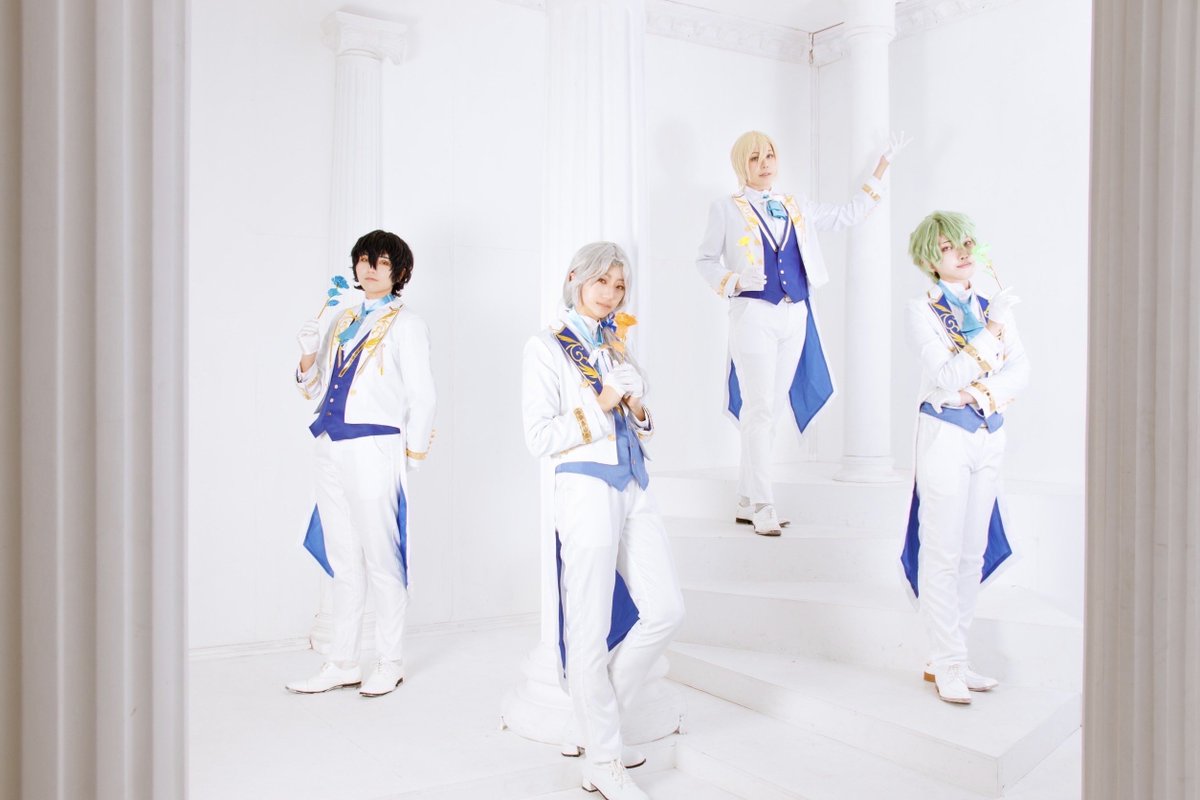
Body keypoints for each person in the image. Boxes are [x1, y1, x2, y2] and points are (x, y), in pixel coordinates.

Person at [522, 241, 685, 800]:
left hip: (635, 482)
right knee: (587, 626)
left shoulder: (617, 343)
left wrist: (637, 408)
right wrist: (604, 402)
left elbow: (633, 416)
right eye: (601, 282)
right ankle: (603, 757)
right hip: (585, 487)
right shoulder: (545, 346)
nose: (611, 294)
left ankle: (596, 729)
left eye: (619, 286)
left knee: (665, 609)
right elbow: (539, 436)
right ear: (575, 279)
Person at [696, 129, 908, 535]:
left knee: (770, 412)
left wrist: (882, 167)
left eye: (769, 155)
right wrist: (734, 280)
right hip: (754, 314)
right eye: (755, 158)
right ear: (741, 164)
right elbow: (704, 260)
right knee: (759, 409)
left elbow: (848, 214)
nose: (764, 164)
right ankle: (763, 504)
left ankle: (746, 498)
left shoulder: (795, 205)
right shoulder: (725, 208)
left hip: (795, 315)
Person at [285, 229, 436, 698]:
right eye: (365, 260)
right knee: (343, 559)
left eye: (382, 262)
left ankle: (390, 661)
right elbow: (314, 388)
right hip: (329, 445)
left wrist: (409, 457)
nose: (371, 268)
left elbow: (423, 394)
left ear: (399, 272)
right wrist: (308, 353)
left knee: (382, 559)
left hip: (375, 447)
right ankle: (343, 661)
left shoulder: (407, 324)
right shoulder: (342, 318)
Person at [898, 211, 1029, 704]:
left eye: (967, 243)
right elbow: (946, 375)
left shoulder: (995, 304)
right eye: (949, 247)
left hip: (989, 432)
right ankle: (947, 661)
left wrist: (977, 395)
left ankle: (952, 657)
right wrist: (991, 332)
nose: (962, 252)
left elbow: (1021, 371)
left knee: (972, 551)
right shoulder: (922, 310)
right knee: (942, 549)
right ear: (930, 259)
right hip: (944, 436)